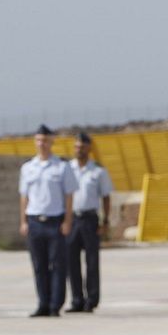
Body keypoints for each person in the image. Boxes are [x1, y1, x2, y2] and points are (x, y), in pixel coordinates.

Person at [19, 124, 76, 317]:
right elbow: (24, 197)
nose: (41, 144)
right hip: (35, 220)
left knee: (58, 265)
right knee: (39, 265)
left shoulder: (62, 166)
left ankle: (55, 305)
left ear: (52, 142)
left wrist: (68, 221)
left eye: (45, 140)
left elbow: (69, 196)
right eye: (38, 140)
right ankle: (42, 302)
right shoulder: (28, 168)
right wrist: (24, 221)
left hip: (55, 221)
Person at [66, 132, 112, 313]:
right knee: (71, 261)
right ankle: (77, 299)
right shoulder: (67, 169)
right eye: (76, 146)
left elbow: (106, 197)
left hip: (89, 219)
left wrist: (105, 220)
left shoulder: (98, 171)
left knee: (91, 261)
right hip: (72, 218)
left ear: (89, 148)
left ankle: (91, 299)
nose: (79, 149)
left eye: (82, 146)